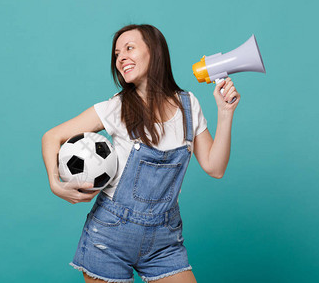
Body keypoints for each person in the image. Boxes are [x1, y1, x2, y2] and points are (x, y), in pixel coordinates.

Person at [41, 24, 240, 283]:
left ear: (154, 52)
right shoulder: (117, 107)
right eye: (116, 54)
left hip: (164, 238)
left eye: (129, 48)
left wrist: (225, 114)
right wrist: (56, 185)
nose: (121, 57)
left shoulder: (188, 104)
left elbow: (216, 168)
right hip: (109, 236)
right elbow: (51, 137)